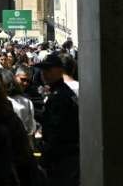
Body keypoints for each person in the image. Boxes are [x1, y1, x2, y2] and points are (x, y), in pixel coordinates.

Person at [37, 53, 80, 186]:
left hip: (61, 157)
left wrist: (46, 157)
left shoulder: (59, 96)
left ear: (60, 71)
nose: (44, 73)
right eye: (43, 70)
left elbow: (56, 130)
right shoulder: (61, 92)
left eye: (48, 70)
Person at [0, 68, 36, 136]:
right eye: (23, 79)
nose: (25, 83)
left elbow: (30, 129)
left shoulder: (27, 102)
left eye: (28, 81)